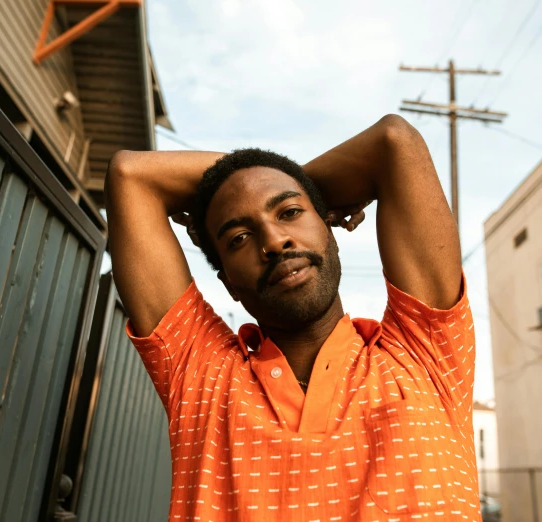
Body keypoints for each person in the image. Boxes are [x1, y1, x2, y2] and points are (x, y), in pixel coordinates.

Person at [104, 114, 479, 521]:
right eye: (239, 238)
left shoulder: (426, 353)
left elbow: (393, 141)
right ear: (228, 283)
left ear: (330, 230)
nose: (274, 240)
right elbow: (130, 175)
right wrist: (288, 184)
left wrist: (277, 176)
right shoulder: (200, 376)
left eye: (289, 212)